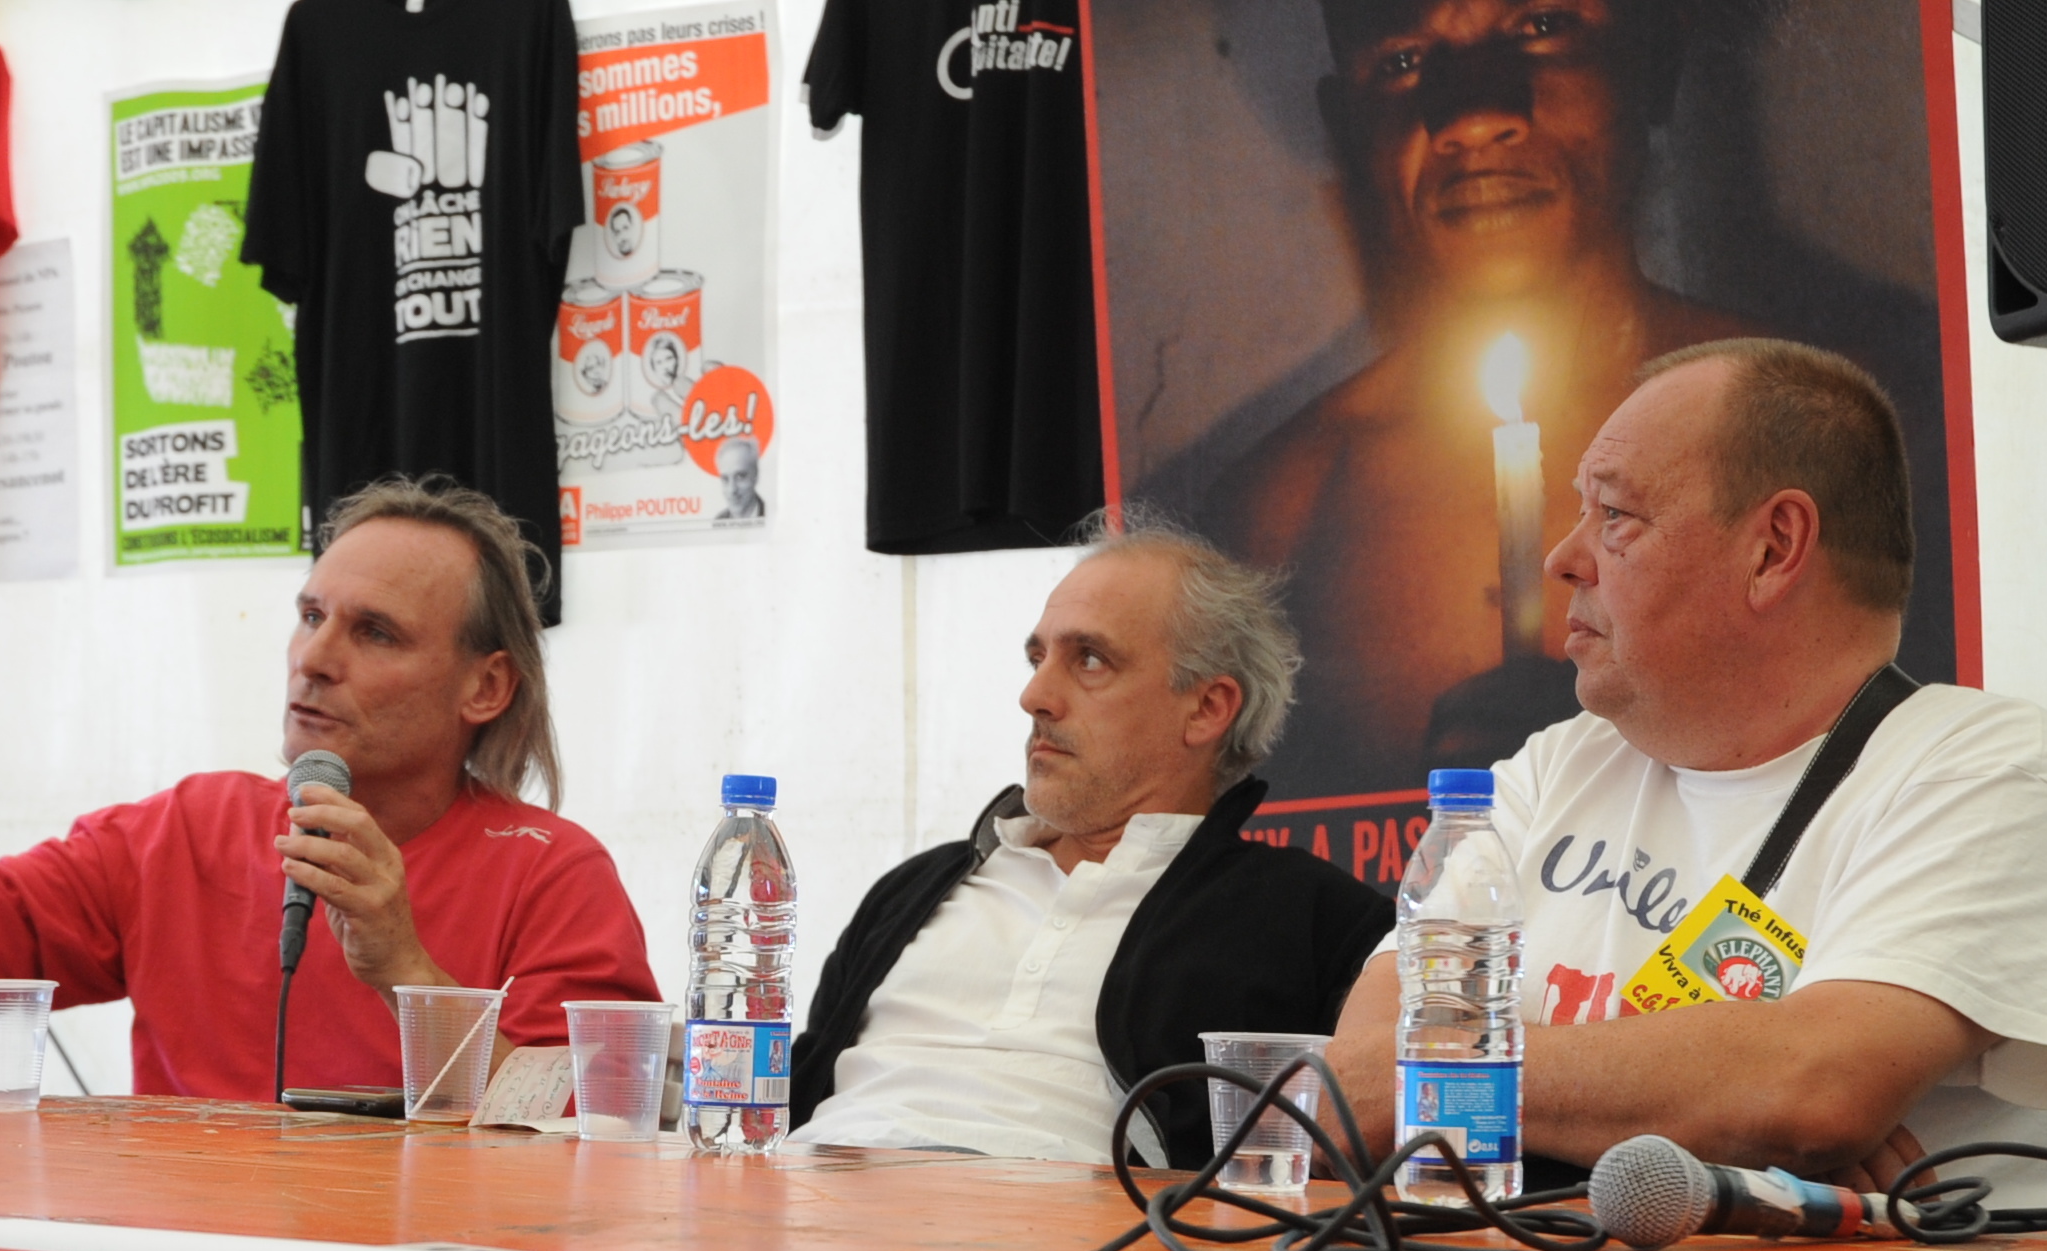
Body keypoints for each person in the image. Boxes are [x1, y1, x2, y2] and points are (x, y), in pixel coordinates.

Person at [1323, 340, 2047, 1204]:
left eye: (1615, 515)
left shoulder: (1988, 769)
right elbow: (1360, 1077)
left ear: (1774, 548)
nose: (1563, 558)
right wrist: (1720, 1110)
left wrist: (1765, 1099)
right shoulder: (1558, 766)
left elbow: (1813, 1090)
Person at [0, 475, 659, 1101]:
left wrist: (404, 969)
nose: (314, 659)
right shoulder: (189, 831)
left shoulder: (554, 875)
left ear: (485, 686)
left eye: (374, 633)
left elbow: (588, 1125)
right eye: (310, 615)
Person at [1204, 0, 1766, 791]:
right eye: (1402, 61)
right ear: (1349, 127)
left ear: (1653, 64)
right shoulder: (1277, 518)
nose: (1472, 115)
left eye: (1541, 27)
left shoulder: (1814, 432)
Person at [791, 510, 1393, 1169]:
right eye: (1037, 657)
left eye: (1090, 660)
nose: (1034, 695)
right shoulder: (913, 889)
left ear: (1206, 708)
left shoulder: (1310, 918)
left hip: (1077, 1220)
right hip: (813, 1194)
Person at [714, 437, 766, 525]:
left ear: (755, 476)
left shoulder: (771, 514)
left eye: (740, 477)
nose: (732, 490)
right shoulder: (718, 521)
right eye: (725, 479)